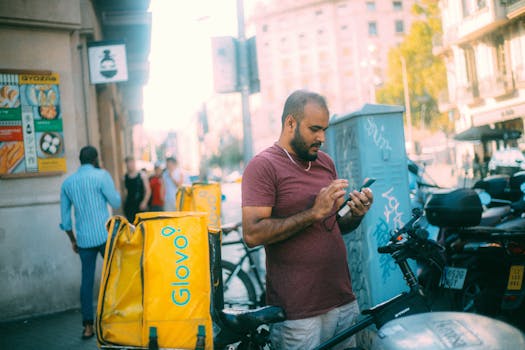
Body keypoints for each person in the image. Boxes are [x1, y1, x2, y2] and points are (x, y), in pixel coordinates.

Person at [242, 90, 374, 349]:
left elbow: (332, 225)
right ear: (290, 123)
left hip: (342, 299)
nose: (322, 138)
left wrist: (355, 214)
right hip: (298, 313)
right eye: (315, 129)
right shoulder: (263, 166)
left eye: (324, 129)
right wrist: (313, 212)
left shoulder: (325, 163)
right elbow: (252, 234)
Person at [59, 145, 121, 340]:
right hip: (104, 237)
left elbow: (65, 219)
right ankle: (117, 320)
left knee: (86, 283)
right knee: (115, 275)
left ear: (79, 160)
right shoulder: (101, 176)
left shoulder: (68, 183)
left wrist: (73, 240)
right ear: (95, 159)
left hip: (84, 240)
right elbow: (116, 202)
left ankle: (88, 326)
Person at [123, 156, 151, 222]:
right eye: (128, 163)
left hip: (140, 204)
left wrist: (144, 202)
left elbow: (148, 190)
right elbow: (124, 192)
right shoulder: (125, 177)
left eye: (131, 163)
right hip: (129, 205)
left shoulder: (142, 175)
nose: (130, 165)